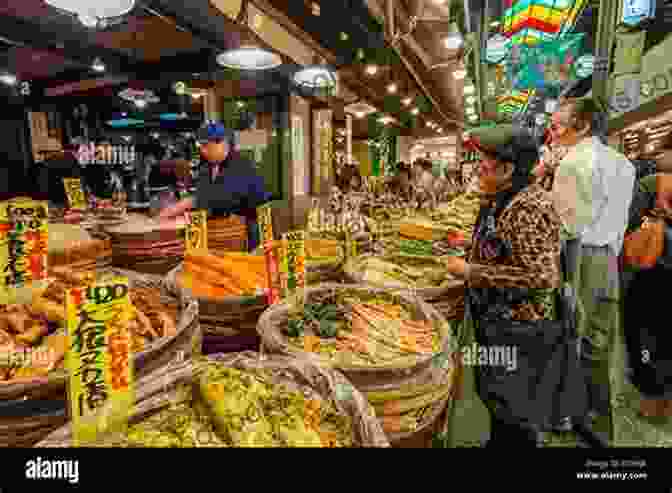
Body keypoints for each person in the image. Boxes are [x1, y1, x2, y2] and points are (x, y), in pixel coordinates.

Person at [443, 124, 585, 447]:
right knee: (497, 400)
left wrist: (471, 271)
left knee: (513, 409)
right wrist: (473, 241)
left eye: (485, 161)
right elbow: (509, 247)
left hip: (520, 330)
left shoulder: (527, 208)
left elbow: (541, 276)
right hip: (502, 323)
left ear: (507, 169)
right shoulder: (509, 197)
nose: (478, 167)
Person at [549, 97, 635, 440]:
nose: (553, 132)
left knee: (571, 337)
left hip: (580, 258)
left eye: (558, 125)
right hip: (609, 261)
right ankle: (600, 422)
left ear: (582, 125)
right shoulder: (623, 165)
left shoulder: (573, 164)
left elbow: (566, 227)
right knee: (598, 343)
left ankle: (572, 416)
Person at [158, 122, 271, 251]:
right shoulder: (206, 168)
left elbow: (223, 201)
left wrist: (185, 205)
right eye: (201, 147)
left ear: (223, 143)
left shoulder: (242, 166)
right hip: (217, 234)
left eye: (207, 146)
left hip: (248, 234)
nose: (203, 151)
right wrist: (179, 210)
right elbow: (202, 196)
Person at [623, 149, 672, 419]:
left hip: (653, 270)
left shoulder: (653, 181)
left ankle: (652, 400)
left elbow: (629, 223)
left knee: (643, 333)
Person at [29, 145, 81, 209]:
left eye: (43, 154)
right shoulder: (70, 160)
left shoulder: (43, 166)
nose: (41, 156)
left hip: (52, 203)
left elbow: (42, 190)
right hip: (66, 201)